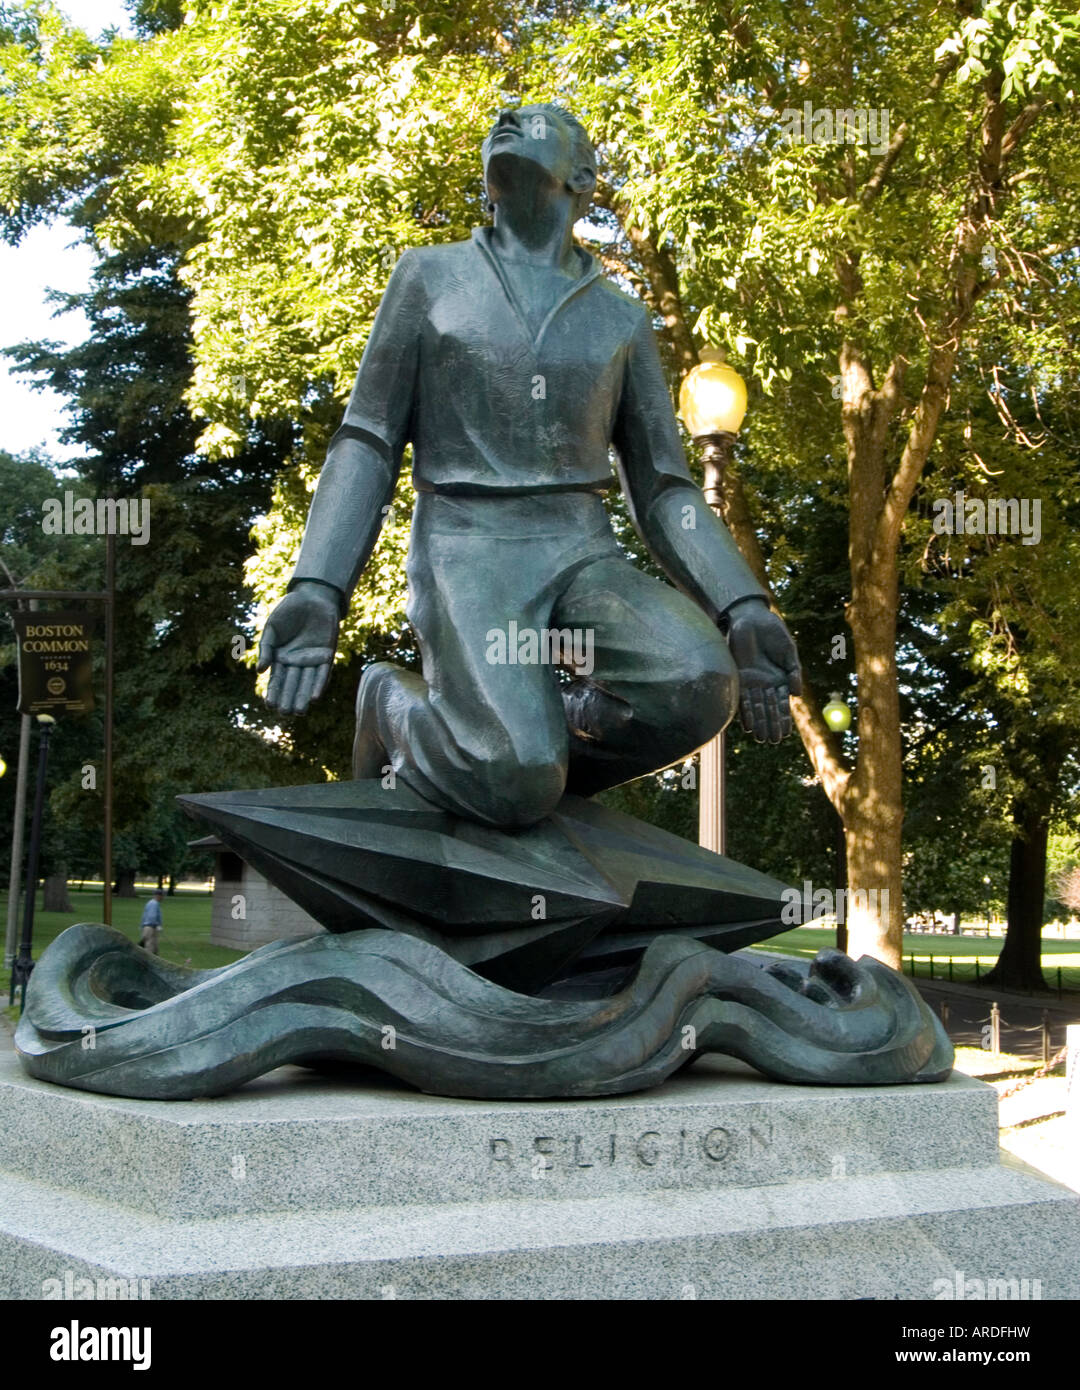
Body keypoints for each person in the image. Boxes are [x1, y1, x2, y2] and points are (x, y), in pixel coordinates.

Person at [258, 104, 802, 830]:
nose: (508, 118)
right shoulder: (429, 276)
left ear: (583, 176)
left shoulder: (620, 317)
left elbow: (665, 488)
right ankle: (396, 705)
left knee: (698, 684)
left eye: (539, 120)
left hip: (581, 552)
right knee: (514, 773)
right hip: (466, 548)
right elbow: (368, 439)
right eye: (501, 120)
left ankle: (522, 760)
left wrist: (744, 604)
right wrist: (319, 584)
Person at [138, 889, 164, 954]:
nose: (163, 898)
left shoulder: (150, 903)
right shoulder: (154, 904)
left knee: (154, 948)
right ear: (158, 896)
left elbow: (144, 916)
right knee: (150, 948)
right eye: (162, 896)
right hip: (151, 928)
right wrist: (157, 925)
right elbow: (152, 917)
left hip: (148, 928)